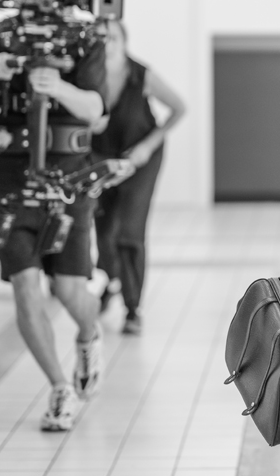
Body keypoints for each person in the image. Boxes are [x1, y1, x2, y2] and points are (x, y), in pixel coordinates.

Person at [0, 0, 107, 432]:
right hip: (9, 177)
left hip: (68, 179)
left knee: (70, 290)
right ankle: (59, 388)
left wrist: (58, 86)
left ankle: (90, 337)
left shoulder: (85, 39)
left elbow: (96, 111)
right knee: (25, 287)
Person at [93, 19, 186, 336]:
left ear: (124, 41)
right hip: (101, 160)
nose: (107, 43)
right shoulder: (87, 75)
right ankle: (109, 280)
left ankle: (132, 308)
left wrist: (146, 147)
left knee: (129, 231)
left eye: (113, 37)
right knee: (103, 230)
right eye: (101, 37)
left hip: (139, 161)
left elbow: (178, 108)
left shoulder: (140, 74)